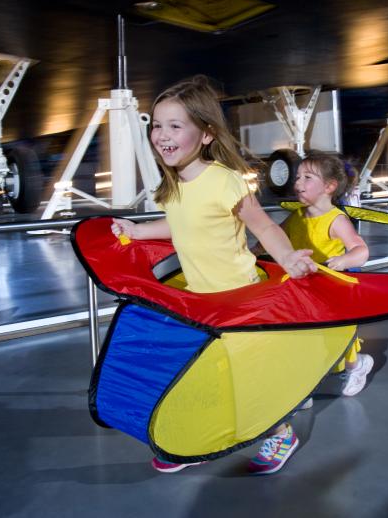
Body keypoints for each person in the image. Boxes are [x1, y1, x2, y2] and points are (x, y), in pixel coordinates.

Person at [111, 75, 317, 474]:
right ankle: (196, 439)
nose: (162, 135)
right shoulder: (173, 185)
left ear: (206, 134)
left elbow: (265, 227)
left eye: (175, 126)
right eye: (157, 125)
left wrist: (289, 259)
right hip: (201, 300)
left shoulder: (224, 181)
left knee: (248, 378)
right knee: (201, 373)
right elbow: (180, 224)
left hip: (239, 299)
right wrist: (138, 231)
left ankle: (280, 432)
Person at [280, 153, 373, 396]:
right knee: (307, 334)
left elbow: (361, 250)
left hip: (331, 287)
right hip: (304, 286)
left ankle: (357, 366)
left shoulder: (336, 219)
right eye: (298, 176)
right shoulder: (296, 216)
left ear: (329, 187)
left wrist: (343, 260)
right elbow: (276, 240)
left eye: (307, 177)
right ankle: (308, 382)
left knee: (337, 332)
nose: (298, 182)